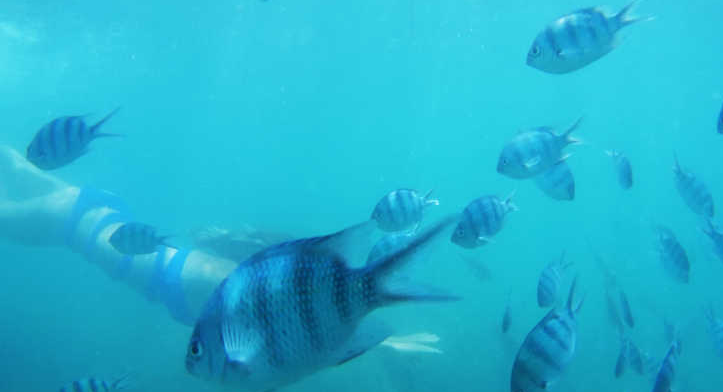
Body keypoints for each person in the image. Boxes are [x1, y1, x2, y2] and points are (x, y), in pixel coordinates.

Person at [0, 145, 441, 351]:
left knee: (29, 174)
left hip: (96, 213)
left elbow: (299, 301)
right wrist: (387, 342)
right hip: (78, 221)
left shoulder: (248, 281)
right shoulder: (241, 291)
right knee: (12, 219)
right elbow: (295, 319)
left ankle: (14, 162)